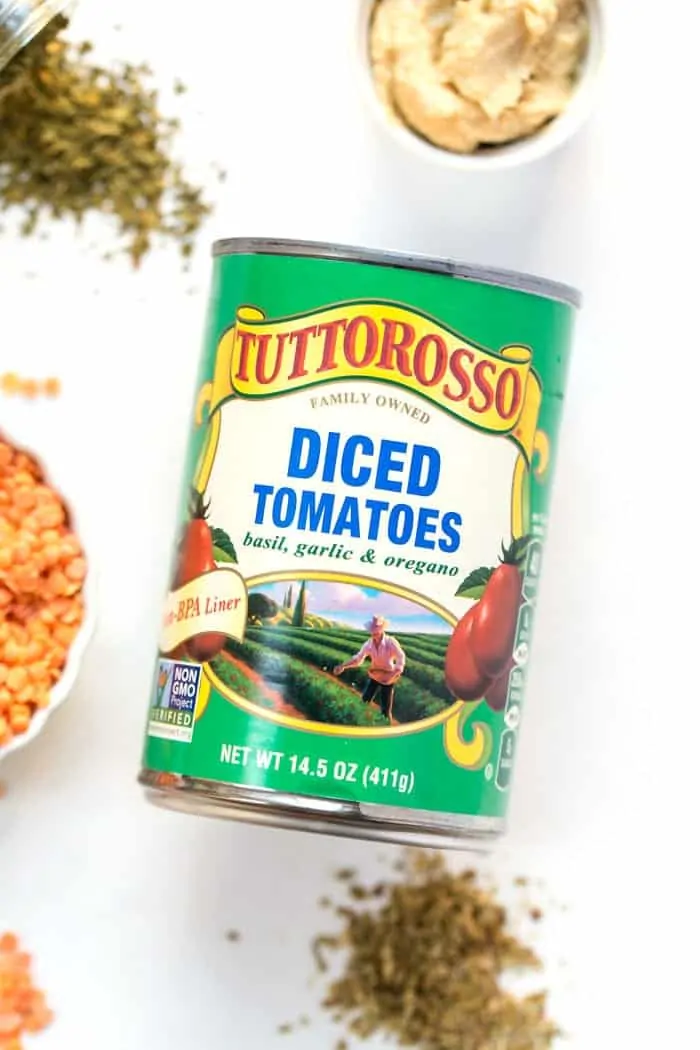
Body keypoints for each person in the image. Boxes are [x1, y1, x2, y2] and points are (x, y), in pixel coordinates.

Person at [333, 615, 406, 722]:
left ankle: (385, 731)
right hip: (375, 674)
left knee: (385, 710)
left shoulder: (390, 642)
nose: (374, 632)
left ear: (382, 629)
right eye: (373, 630)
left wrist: (395, 671)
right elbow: (358, 659)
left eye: (376, 629)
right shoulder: (368, 644)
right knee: (365, 701)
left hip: (388, 677)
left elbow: (401, 656)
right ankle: (361, 723)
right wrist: (343, 666)